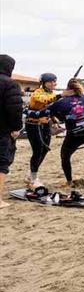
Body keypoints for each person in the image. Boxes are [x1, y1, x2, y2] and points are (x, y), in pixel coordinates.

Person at [27, 75, 84, 187]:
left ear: (67, 88)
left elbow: (37, 114)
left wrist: (26, 111)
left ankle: (69, 182)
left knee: (65, 157)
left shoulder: (59, 103)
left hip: (73, 136)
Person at [24, 72, 59, 187]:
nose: (54, 83)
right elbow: (46, 101)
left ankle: (31, 173)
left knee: (45, 149)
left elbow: (50, 109)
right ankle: (34, 179)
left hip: (45, 124)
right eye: (51, 81)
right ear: (44, 83)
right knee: (38, 150)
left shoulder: (52, 93)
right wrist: (61, 96)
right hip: (34, 124)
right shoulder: (37, 93)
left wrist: (54, 120)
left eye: (55, 81)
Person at [0, 54, 24, 209]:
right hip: (2, 130)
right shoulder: (10, 84)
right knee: (1, 164)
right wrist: (16, 128)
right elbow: (15, 109)